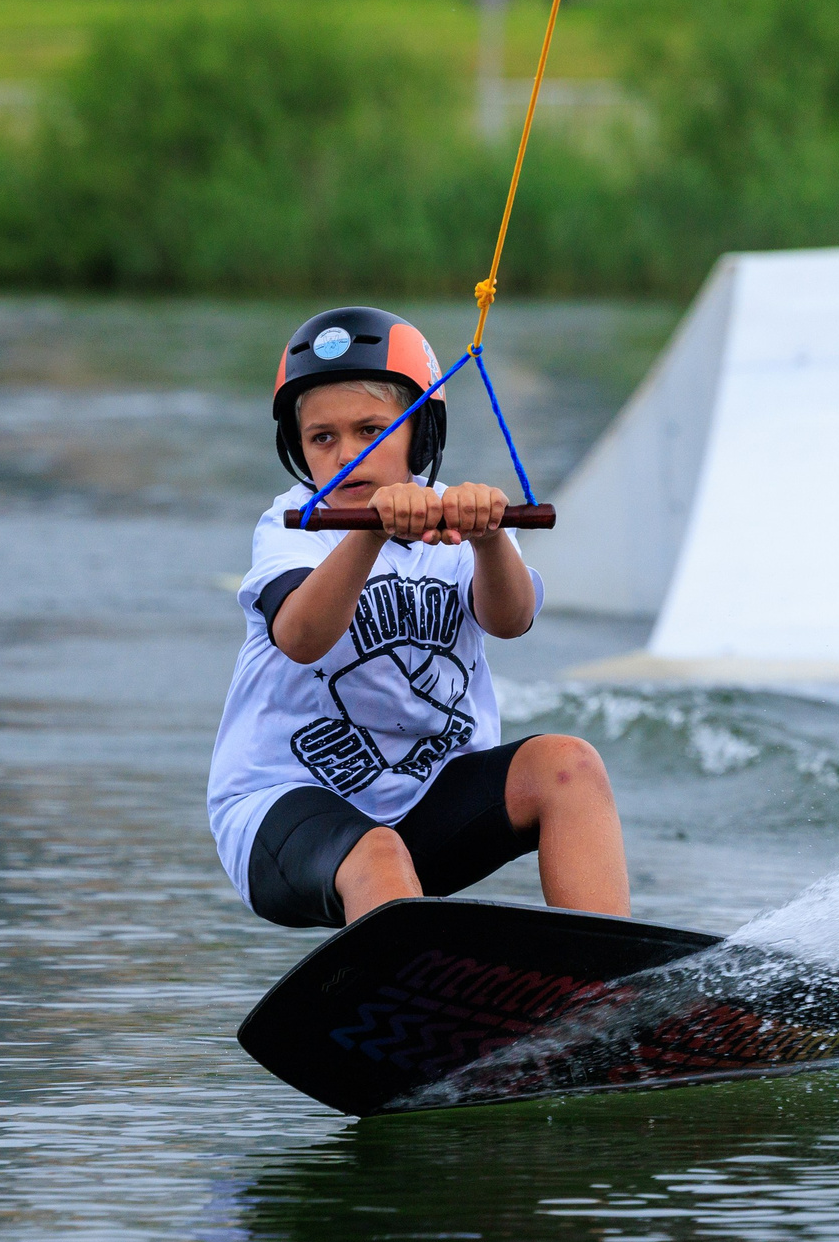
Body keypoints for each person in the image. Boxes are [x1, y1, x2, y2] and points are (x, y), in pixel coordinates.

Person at [206, 306, 629, 929]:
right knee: (379, 854)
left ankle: (614, 984)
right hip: (282, 812)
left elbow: (510, 620)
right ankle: (401, 1004)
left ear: (420, 436)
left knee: (568, 764)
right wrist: (371, 533)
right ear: (300, 450)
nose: (347, 455)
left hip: (426, 807)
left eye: (372, 431)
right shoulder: (291, 526)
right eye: (323, 438)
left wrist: (486, 539)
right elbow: (301, 637)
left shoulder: (455, 521)